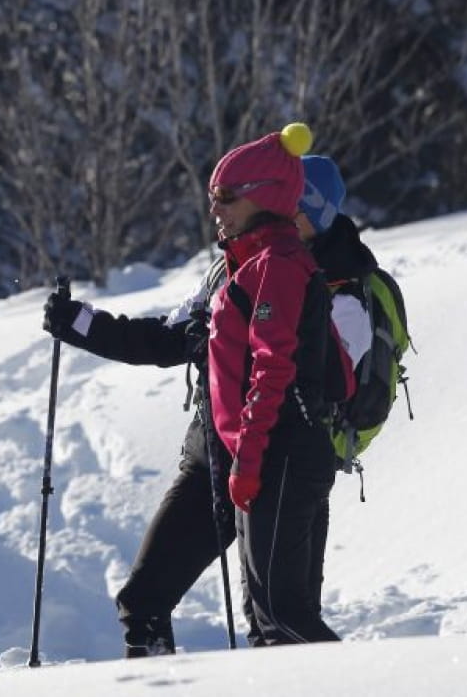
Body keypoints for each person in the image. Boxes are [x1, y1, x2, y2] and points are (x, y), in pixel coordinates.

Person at [43, 125, 355, 653]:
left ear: (267, 197)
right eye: (213, 196)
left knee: (280, 620)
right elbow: (167, 338)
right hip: (221, 453)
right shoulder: (231, 269)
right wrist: (81, 324)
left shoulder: (285, 269)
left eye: (227, 196)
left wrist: (251, 462)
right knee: (148, 602)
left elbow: (283, 373)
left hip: (273, 456)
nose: (215, 208)